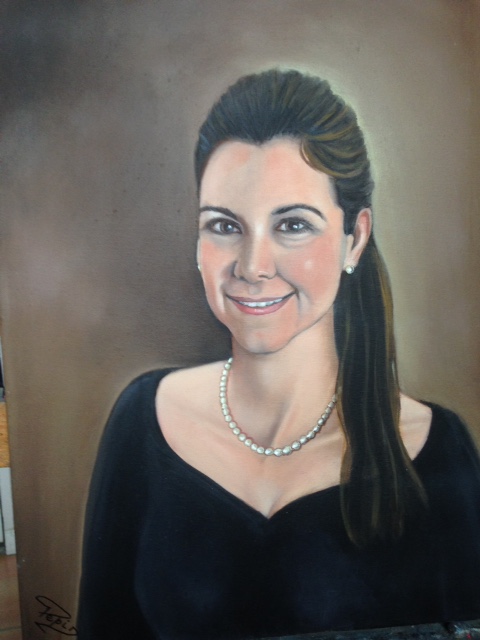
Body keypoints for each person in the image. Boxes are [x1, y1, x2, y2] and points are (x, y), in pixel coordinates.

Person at [77, 69, 480, 639]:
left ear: (355, 238)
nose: (252, 266)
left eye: (292, 224)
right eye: (224, 225)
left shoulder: (438, 455)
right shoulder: (142, 421)